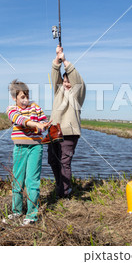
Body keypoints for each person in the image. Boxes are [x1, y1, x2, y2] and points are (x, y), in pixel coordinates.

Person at [5, 79, 50, 225]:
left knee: (32, 181)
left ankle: (32, 215)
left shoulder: (36, 107)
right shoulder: (11, 110)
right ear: (14, 98)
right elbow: (20, 120)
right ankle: (16, 212)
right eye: (22, 97)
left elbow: (43, 122)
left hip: (36, 147)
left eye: (27, 96)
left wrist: (45, 125)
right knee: (17, 181)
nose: (25, 100)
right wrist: (35, 124)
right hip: (19, 148)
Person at [48, 45, 86, 198]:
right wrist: (57, 59)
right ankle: (60, 185)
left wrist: (66, 61)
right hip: (54, 130)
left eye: (69, 82)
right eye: (65, 81)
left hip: (69, 132)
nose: (67, 84)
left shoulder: (78, 93)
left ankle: (65, 192)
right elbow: (54, 74)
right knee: (52, 160)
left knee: (64, 163)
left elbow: (77, 79)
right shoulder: (58, 91)